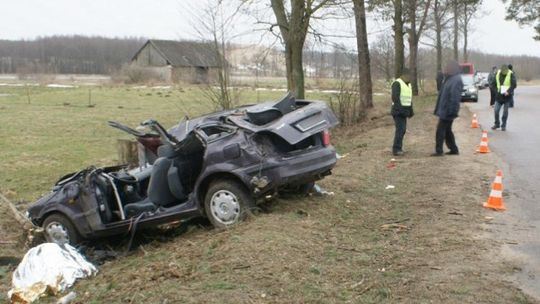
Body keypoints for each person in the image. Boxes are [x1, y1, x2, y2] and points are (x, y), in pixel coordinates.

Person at [432, 60, 463, 156]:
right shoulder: (448, 79)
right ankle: (454, 149)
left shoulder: (456, 80)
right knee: (447, 131)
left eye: (448, 67)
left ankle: (439, 151)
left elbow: (455, 97)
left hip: (448, 111)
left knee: (440, 130)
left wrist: (452, 111)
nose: (446, 69)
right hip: (445, 109)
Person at [391, 68, 414, 156]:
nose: (410, 77)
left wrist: (411, 110)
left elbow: (409, 99)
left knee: (402, 130)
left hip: (404, 111)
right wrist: (402, 110)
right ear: (403, 75)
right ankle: (396, 149)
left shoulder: (408, 84)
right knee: (400, 130)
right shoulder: (397, 83)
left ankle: (398, 147)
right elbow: (395, 98)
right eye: (408, 75)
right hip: (398, 112)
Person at [491, 64, 516, 131]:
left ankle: (503, 125)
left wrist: (508, 91)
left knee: (505, 112)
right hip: (499, 96)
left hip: (507, 97)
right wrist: (497, 92)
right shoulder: (497, 73)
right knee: (496, 110)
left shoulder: (511, 74)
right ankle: (497, 124)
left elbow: (514, 84)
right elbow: (493, 84)